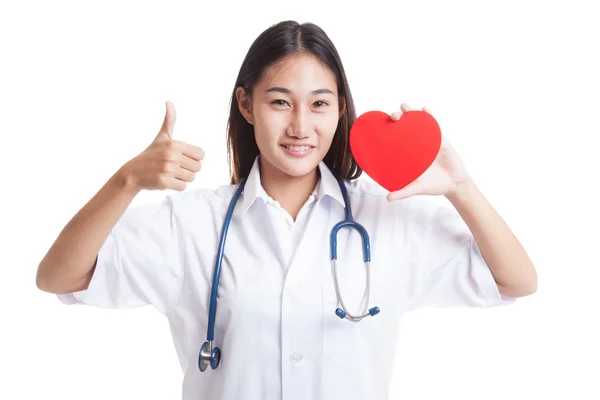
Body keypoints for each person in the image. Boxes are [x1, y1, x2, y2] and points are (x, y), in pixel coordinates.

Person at [36, 19, 537, 400]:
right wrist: (125, 181)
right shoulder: (192, 225)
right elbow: (58, 277)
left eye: (320, 104)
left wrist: (462, 187)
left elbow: (516, 280)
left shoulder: (385, 220)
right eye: (280, 102)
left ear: (341, 109)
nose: (301, 125)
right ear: (247, 105)